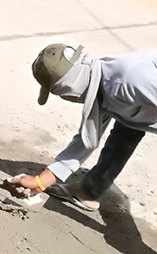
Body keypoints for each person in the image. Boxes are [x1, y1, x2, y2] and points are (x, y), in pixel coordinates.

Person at [8, 44, 157, 211]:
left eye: (58, 93)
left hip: (144, 99)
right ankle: (88, 191)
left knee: (126, 117)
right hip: (143, 107)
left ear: (68, 88)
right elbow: (87, 137)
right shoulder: (99, 83)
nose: (64, 98)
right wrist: (40, 182)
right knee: (126, 122)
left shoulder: (126, 82)